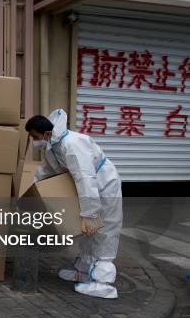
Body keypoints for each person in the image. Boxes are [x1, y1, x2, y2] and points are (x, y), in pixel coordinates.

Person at [25, 109, 123, 299]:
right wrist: (30, 190)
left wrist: (91, 213)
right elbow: (46, 170)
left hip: (103, 185)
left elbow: (85, 178)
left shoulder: (72, 144)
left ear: (45, 133)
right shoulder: (53, 146)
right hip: (88, 188)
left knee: (104, 230)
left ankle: (104, 283)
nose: (34, 140)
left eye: (34, 136)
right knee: (87, 232)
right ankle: (85, 271)